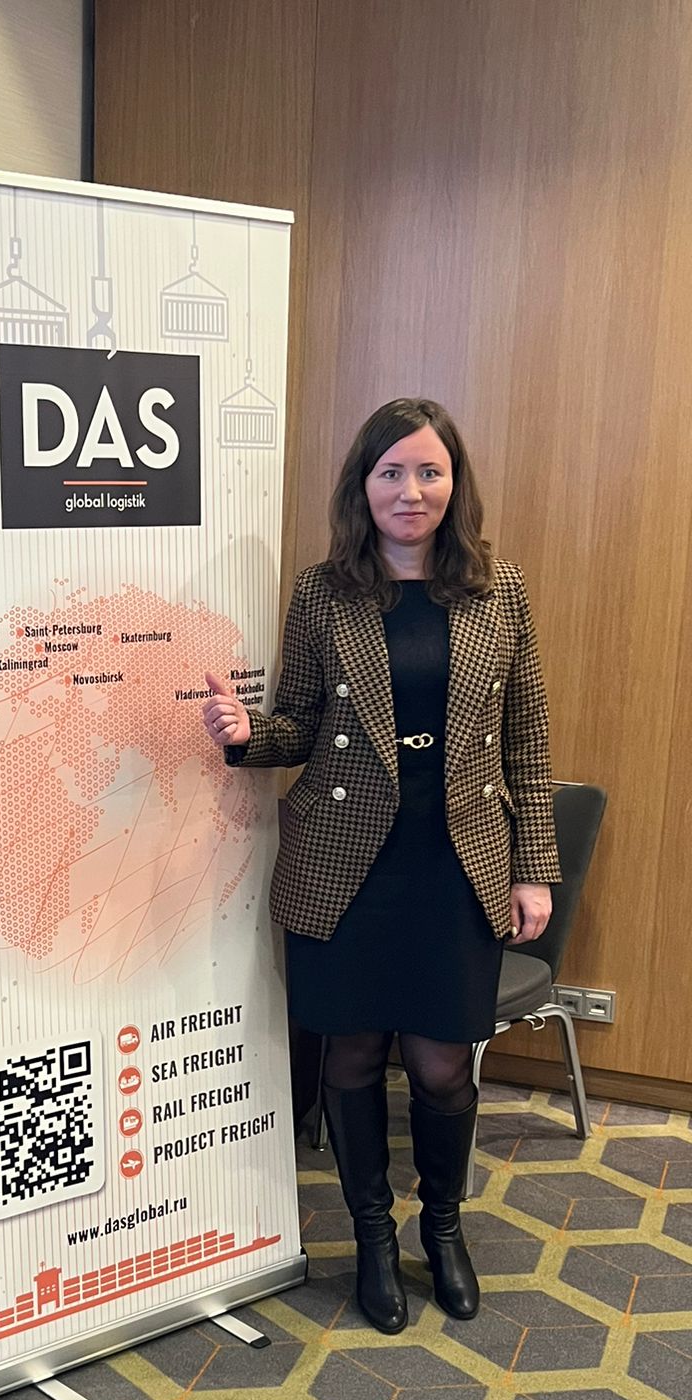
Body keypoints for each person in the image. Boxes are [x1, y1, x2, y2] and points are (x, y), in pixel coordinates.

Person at [203, 397, 560, 1337]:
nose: (411, 490)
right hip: (345, 865)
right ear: (363, 486)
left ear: (454, 483)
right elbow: (300, 723)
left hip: (457, 866)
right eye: (391, 472)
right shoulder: (326, 592)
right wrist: (244, 735)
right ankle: (371, 1236)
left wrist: (534, 868)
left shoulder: (500, 589)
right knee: (353, 1056)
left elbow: (527, 736)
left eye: (429, 471)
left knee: (443, 1066)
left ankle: (443, 1228)